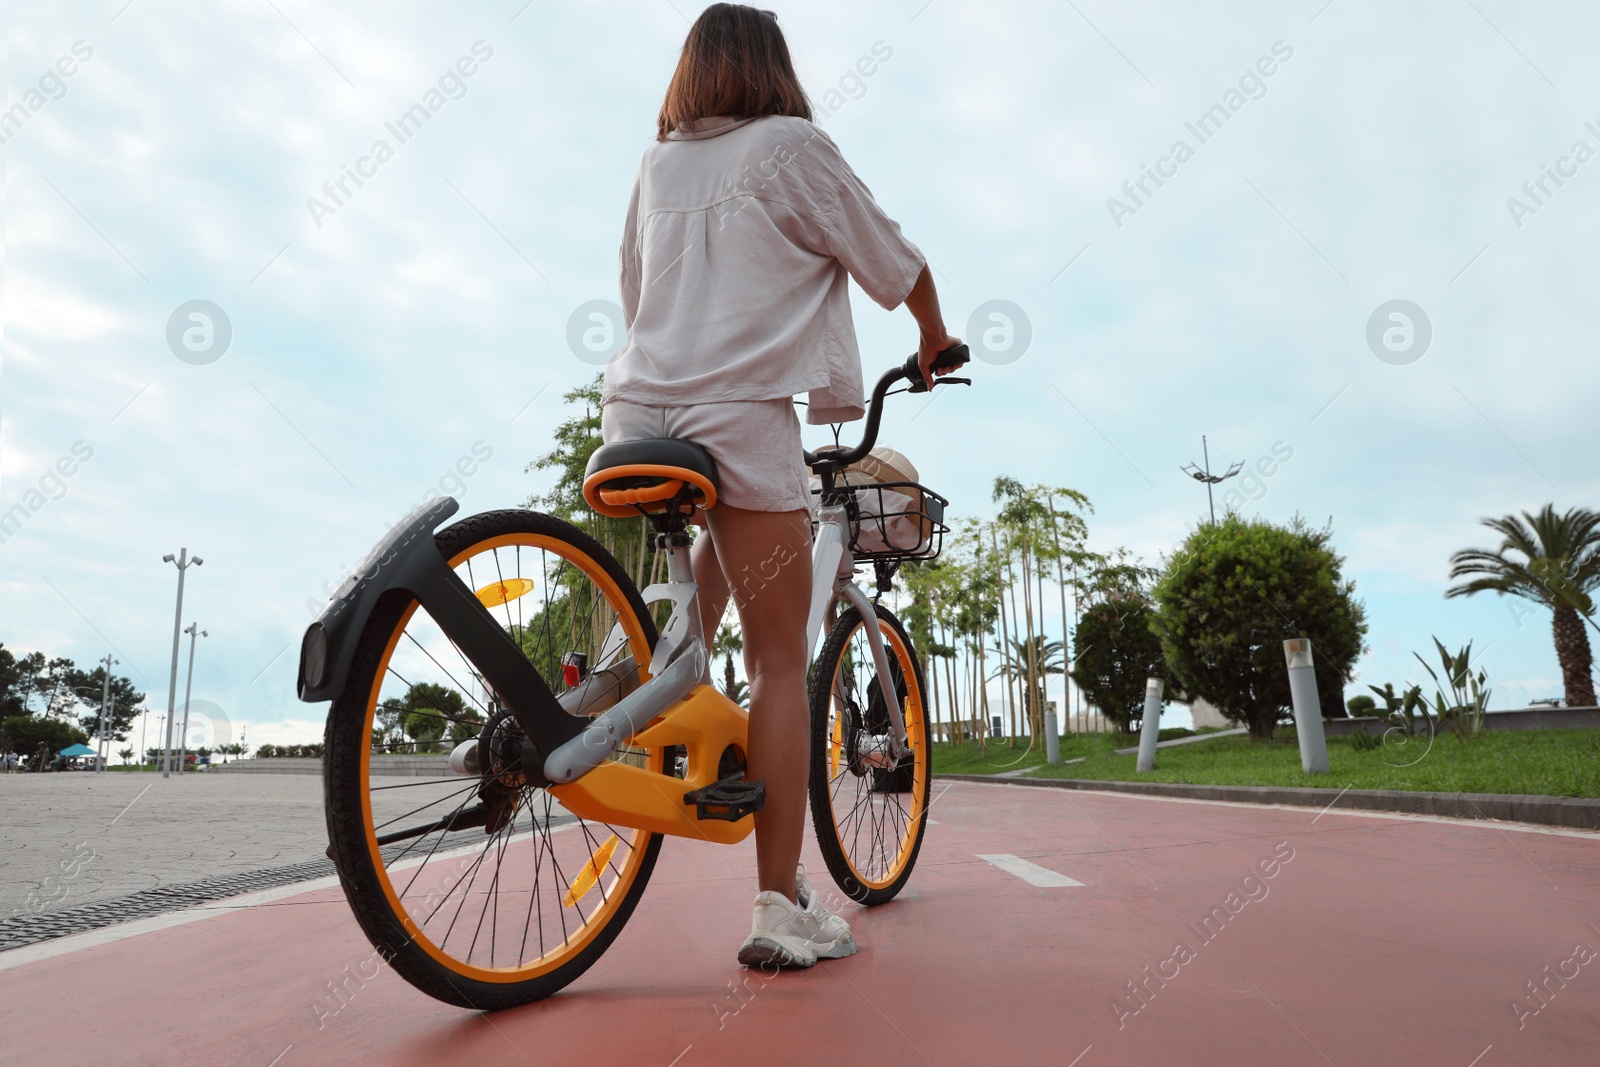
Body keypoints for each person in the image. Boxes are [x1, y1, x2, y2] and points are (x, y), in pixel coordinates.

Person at [601, 3, 959, 968]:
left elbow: (636, 294)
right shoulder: (793, 145)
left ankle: (613, 668)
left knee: (690, 594)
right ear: (772, 66)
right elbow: (893, 258)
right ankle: (776, 906)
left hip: (637, 413)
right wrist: (932, 334)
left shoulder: (655, 162)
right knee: (774, 666)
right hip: (739, 414)